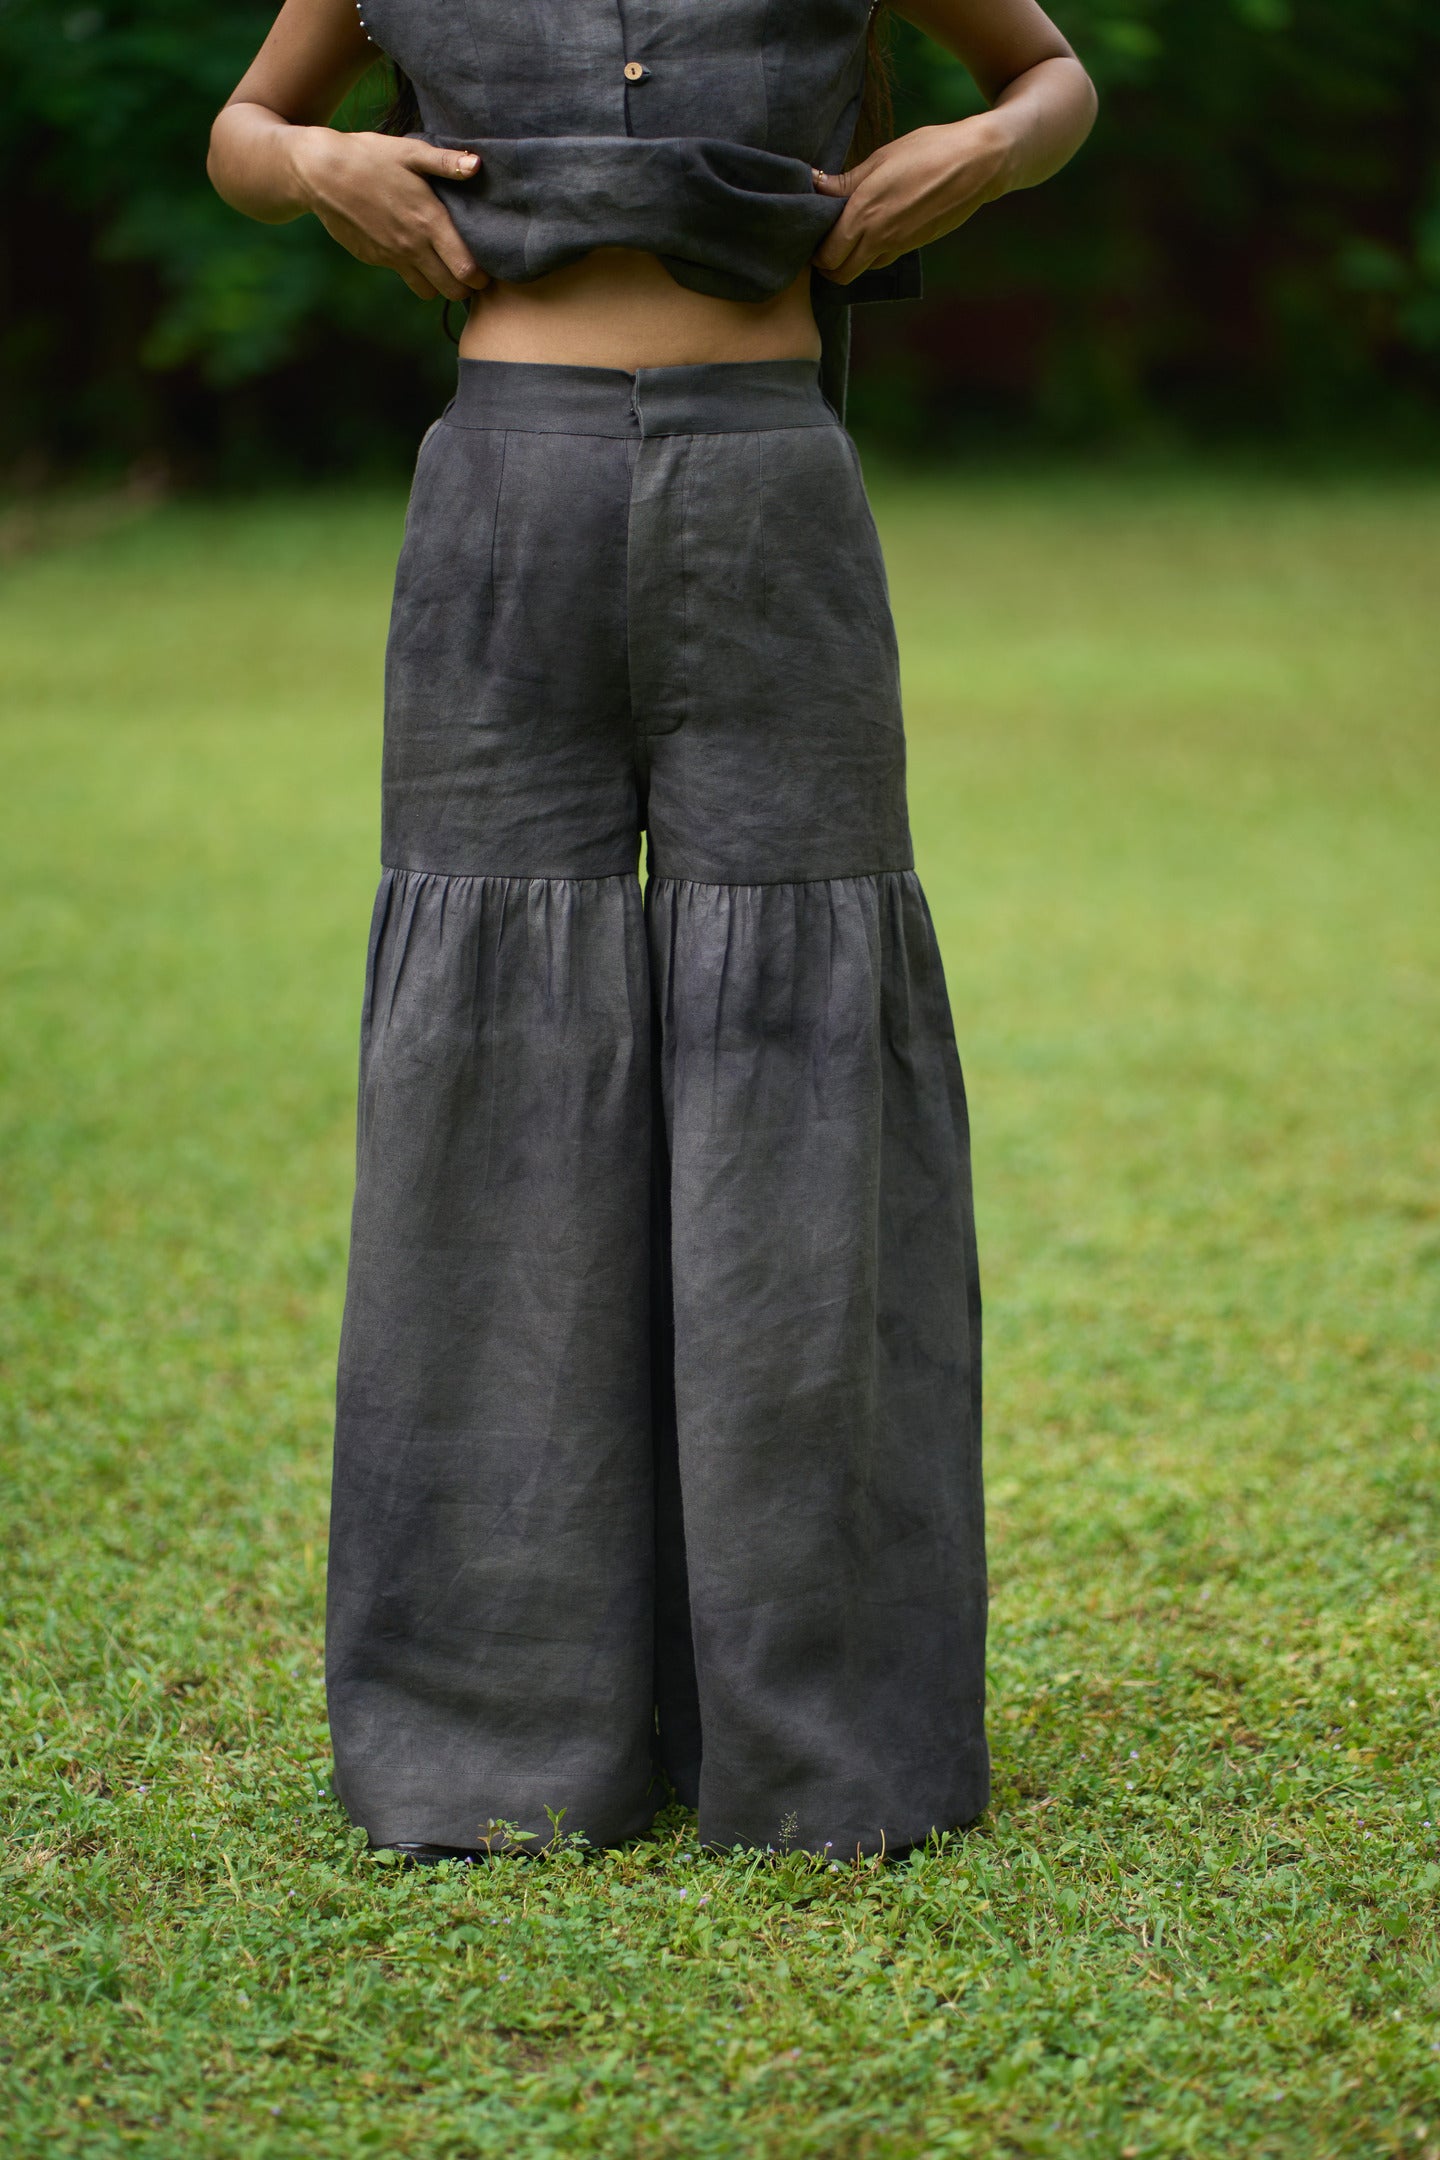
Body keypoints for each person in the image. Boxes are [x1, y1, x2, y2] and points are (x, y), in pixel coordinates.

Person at [208, 0, 1096, 1863]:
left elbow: (1054, 75)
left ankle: (823, 1739)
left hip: (772, 494)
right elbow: (243, 129)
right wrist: (316, 166)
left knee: (806, 1074)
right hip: (499, 504)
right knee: (489, 1080)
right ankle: (488, 1738)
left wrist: (981, 147)